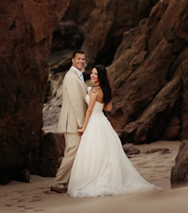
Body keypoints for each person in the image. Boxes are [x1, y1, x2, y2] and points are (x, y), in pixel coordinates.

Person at [67, 65, 159, 198]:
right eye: (92, 73)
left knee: (93, 150)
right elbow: (108, 108)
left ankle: (95, 177)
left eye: (95, 74)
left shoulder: (94, 91)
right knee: (104, 150)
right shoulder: (105, 90)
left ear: (100, 77)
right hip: (102, 121)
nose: (92, 76)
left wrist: (83, 127)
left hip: (94, 121)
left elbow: (89, 110)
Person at [50, 50, 88, 193]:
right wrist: (81, 122)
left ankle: (66, 181)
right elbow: (76, 101)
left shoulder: (77, 76)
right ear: (72, 60)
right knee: (72, 151)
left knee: (70, 151)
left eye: (83, 59)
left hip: (72, 121)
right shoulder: (71, 77)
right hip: (72, 121)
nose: (81, 61)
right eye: (79, 59)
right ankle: (58, 183)